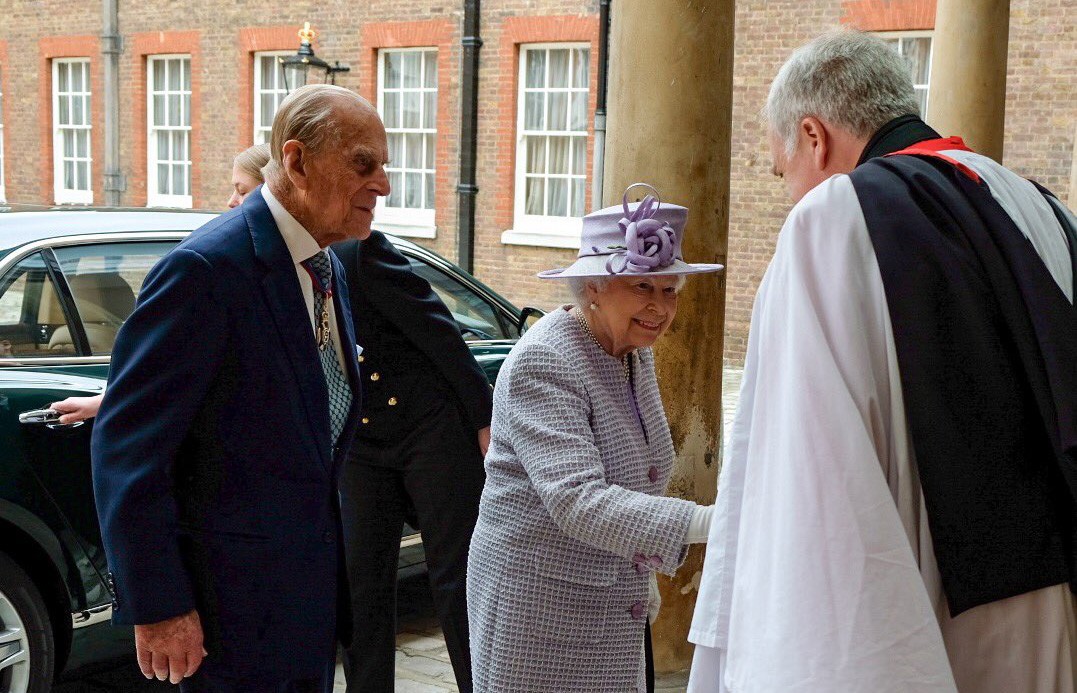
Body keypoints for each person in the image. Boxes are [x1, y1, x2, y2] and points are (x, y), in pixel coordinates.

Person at [688, 30, 1077, 693]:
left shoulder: (828, 224)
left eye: (782, 174)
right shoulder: (1044, 209)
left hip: (923, 630)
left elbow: (812, 502)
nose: (788, 195)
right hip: (1056, 613)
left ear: (813, 136)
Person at [91, 84, 389, 691]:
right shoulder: (205, 271)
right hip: (222, 620)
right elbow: (128, 452)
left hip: (302, 612)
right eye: (365, 165)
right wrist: (159, 606)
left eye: (385, 167)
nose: (383, 185)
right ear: (298, 162)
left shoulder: (326, 263)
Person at [467, 184, 722, 692]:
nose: (660, 307)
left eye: (669, 290)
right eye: (643, 288)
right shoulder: (546, 360)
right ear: (593, 288)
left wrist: (641, 572)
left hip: (604, 602)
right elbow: (578, 499)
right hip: (535, 609)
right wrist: (710, 524)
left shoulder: (631, 350)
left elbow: (642, 471)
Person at [332, 231, 491, 692]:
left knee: (455, 576)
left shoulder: (359, 252)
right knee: (360, 580)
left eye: (243, 191)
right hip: (359, 435)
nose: (234, 203)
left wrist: (483, 418)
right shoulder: (267, 269)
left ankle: (480, 685)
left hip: (430, 425)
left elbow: (441, 331)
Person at [52, 142, 273, 425]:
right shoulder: (212, 261)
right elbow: (169, 359)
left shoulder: (221, 264)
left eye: (242, 191)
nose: (231, 201)